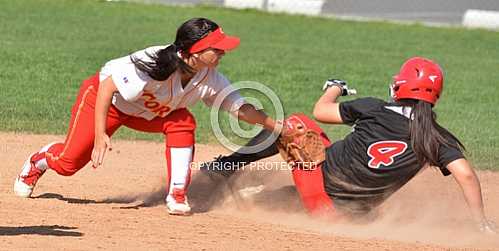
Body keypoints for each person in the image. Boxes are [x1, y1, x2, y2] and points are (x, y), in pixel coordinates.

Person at [194, 57, 496, 232]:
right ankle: (257, 198)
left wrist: (334, 89)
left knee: (297, 124)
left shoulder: (375, 108)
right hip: (344, 215)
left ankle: (223, 168)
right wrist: (479, 221)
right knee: (291, 198)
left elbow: (320, 112)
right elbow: (466, 175)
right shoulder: (436, 137)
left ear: (401, 87)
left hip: (315, 185)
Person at [14, 17, 279, 216]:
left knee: (183, 122)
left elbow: (240, 108)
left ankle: (177, 194)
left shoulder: (210, 77)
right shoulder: (154, 62)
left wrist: (275, 125)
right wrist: (100, 134)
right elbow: (107, 87)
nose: (223, 52)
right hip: (106, 103)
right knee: (68, 164)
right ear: (192, 52)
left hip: (152, 113)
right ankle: (38, 162)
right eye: (216, 48)